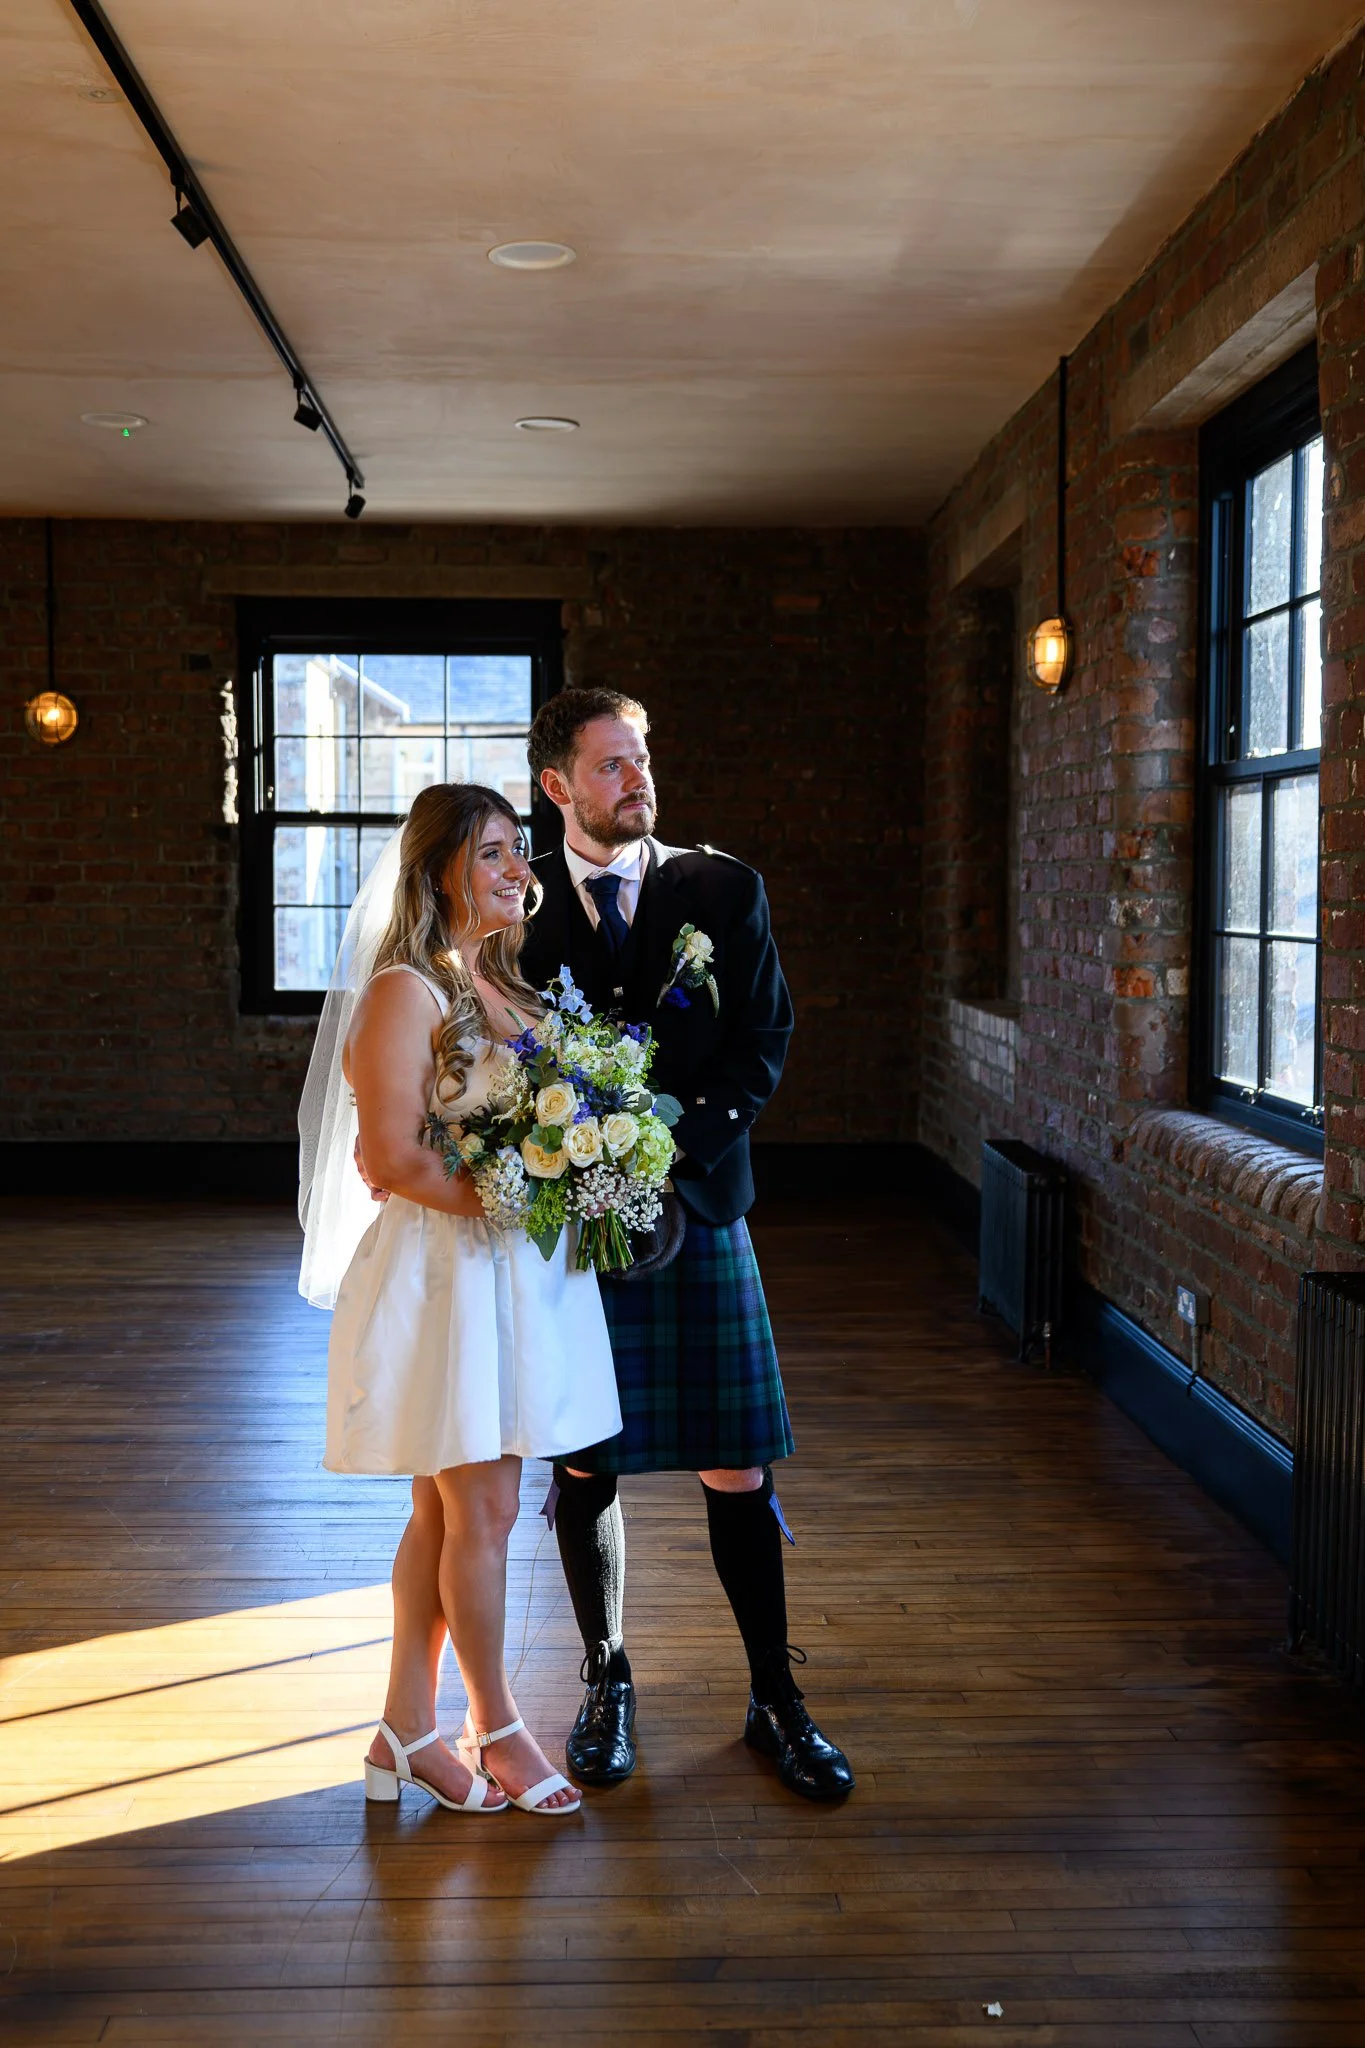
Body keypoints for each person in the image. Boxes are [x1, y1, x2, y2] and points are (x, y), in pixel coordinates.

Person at [518, 687, 854, 1801]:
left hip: (700, 1202)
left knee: (734, 1461)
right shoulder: (512, 910)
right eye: (611, 764)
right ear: (558, 784)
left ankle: (775, 1696)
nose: (637, 779)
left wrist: (670, 1152)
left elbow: (764, 1034)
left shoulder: (722, 887)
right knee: (583, 1458)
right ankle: (607, 1678)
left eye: (643, 757)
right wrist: (576, 1163)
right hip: (573, 1218)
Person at [298, 782, 622, 1818]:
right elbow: (389, 1154)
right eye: (492, 851)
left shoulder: (506, 987)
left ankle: (405, 1728)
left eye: (519, 850)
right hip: (449, 1276)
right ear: (441, 866)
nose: (517, 868)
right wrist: (508, 1195)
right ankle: (499, 1730)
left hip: (516, 1275)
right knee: (480, 1504)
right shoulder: (407, 989)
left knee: (448, 1509)